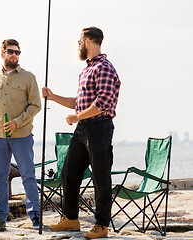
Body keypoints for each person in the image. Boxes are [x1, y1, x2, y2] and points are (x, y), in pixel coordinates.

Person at [42, 27, 121, 239]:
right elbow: (80, 103)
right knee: (69, 172)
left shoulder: (104, 67)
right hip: (83, 129)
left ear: (88, 41)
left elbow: (102, 103)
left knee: (100, 178)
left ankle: (102, 225)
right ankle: (71, 219)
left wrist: (78, 117)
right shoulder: (87, 69)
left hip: (99, 129)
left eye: (79, 41)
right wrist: (53, 97)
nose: (78, 45)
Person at [0, 39, 42, 229]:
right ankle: (1, 215)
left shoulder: (28, 77)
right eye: (11, 52)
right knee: (0, 176)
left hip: (22, 136)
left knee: (28, 175)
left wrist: (17, 122)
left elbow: (36, 105)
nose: (15, 55)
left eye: (18, 52)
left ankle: (35, 216)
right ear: (2, 53)